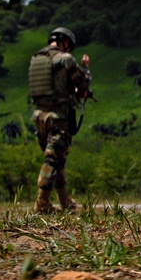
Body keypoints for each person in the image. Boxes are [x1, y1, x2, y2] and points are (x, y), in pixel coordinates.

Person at [28, 27, 91, 214]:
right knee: (53, 160)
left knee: (58, 160)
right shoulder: (65, 59)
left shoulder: (35, 59)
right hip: (57, 117)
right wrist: (86, 67)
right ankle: (42, 204)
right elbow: (83, 83)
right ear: (65, 42)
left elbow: (52, 86)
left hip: (40, 116)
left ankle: (66, 202)